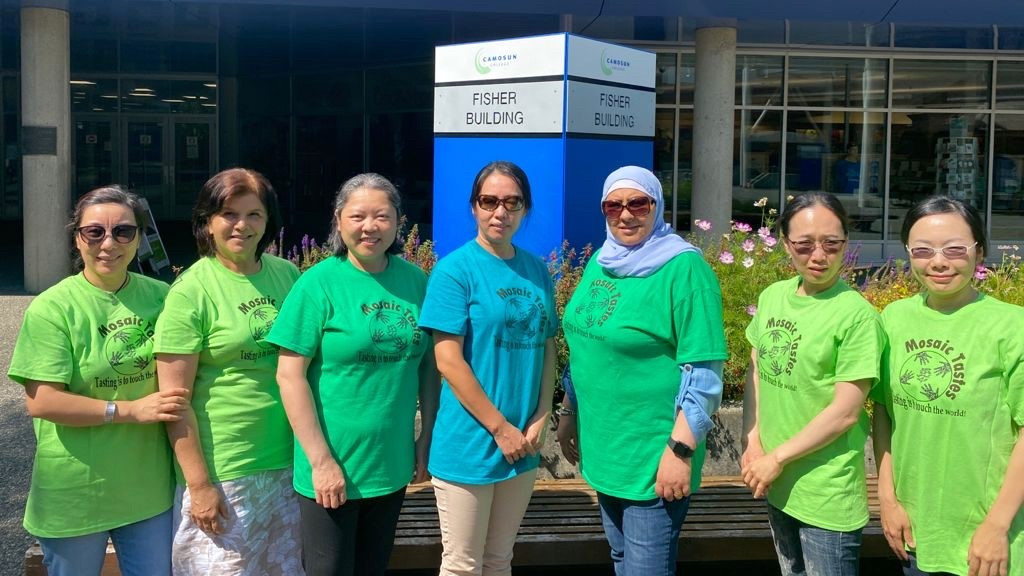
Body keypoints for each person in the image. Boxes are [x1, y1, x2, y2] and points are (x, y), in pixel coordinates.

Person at [556, 165, 728, 575]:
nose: (626, 215)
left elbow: (704, 373)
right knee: (620, 560)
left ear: (658, 207)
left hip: (653, 455)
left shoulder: (684, 269)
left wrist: (679, 452)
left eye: (638, 203)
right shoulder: (604, 258)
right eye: (614, 205)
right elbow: (586, 346)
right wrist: (569, 411)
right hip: (606, 450)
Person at [8, 186, 188, 576]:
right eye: (95, 232)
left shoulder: (164, 297)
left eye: (123, 231)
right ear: (77, 237)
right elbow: (44, 402)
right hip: (75, 492)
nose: (109, 243)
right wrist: (129, 410)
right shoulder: (53, 307)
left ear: (139, 237)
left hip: (148, 490)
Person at [267, 173, 440, 576]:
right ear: (338, 220)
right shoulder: (317, 285)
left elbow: (431, 367)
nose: (369, 227)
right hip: (331, 469)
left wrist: (425, 437)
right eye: (357, 216)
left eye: (382, 216)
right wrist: (320, 460)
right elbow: (289, 376)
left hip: (391, 465)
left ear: (399, 222)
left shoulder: (415, 281)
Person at [153, 168, 303, 575]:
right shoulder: (191, 291)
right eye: (228, 214)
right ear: (208, 222)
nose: (242, 225)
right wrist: (199, 485)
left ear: (268, 220)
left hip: (288, 464)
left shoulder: (286, 275)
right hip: (226, 472)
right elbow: (174, 402)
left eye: (254, 214)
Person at [417, 160, 557, 576]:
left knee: (499, 560)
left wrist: (542, 413)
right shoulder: (454, 271)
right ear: (474, 207)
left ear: (525, 209)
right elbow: (447, 360)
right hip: (470, 444)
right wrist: (500, 428)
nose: (501, 212)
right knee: (462, 564)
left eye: (512, 202)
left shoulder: (536, 270)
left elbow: (548, 347)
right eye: (489, 201)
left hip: (522, 444)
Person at [873, 196, 1024, 576]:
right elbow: (884, 415)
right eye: (922, 250)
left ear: (980, 252)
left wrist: (997, 525)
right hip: (917, 535)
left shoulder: (1012, 326)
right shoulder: (893, 318)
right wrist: (888, 500)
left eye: (955, 249)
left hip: (990, 543)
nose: (938, 262)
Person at [741, 191, 885, 576]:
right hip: (776, 483)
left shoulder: (857, 317)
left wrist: (776, 457)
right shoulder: (773, 296)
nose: (818, 256)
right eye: (804, 245)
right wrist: (752, 442)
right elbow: (756, 368)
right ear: (785, 244)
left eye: (831, 244)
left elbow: (845, 412)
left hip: (826, 493)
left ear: (846, 245)